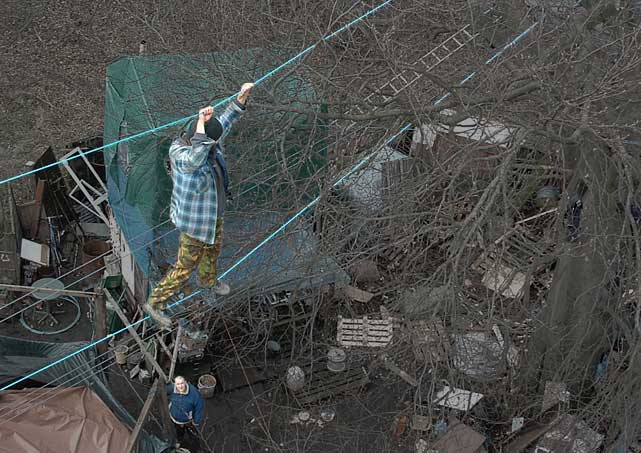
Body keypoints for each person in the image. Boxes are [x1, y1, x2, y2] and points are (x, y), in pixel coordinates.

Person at [143, 83, 254, 328]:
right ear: (198, 139)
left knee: (213, 249)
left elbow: (225, 122)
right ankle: (155, 302)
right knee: (184, 267)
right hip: (194, 224)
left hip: (214, 214)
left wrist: (241, 97)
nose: (215, 145)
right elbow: (195, 158)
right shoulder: (181, 155)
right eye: (209, 142)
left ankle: (208, 280)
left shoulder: (208, 142)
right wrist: (202, 129)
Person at [166, 376, 205, 447]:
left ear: (186, 382)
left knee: (193, 434)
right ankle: (180, 440)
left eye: (182, 383)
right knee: (179, 432)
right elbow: (164, 389)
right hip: (175, 418)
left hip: (188, 421)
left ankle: (197, 446)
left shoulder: (194, 394)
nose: (180, 386)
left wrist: (196, 422)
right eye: (178, 384)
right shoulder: (172, 388)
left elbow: (199, 409)